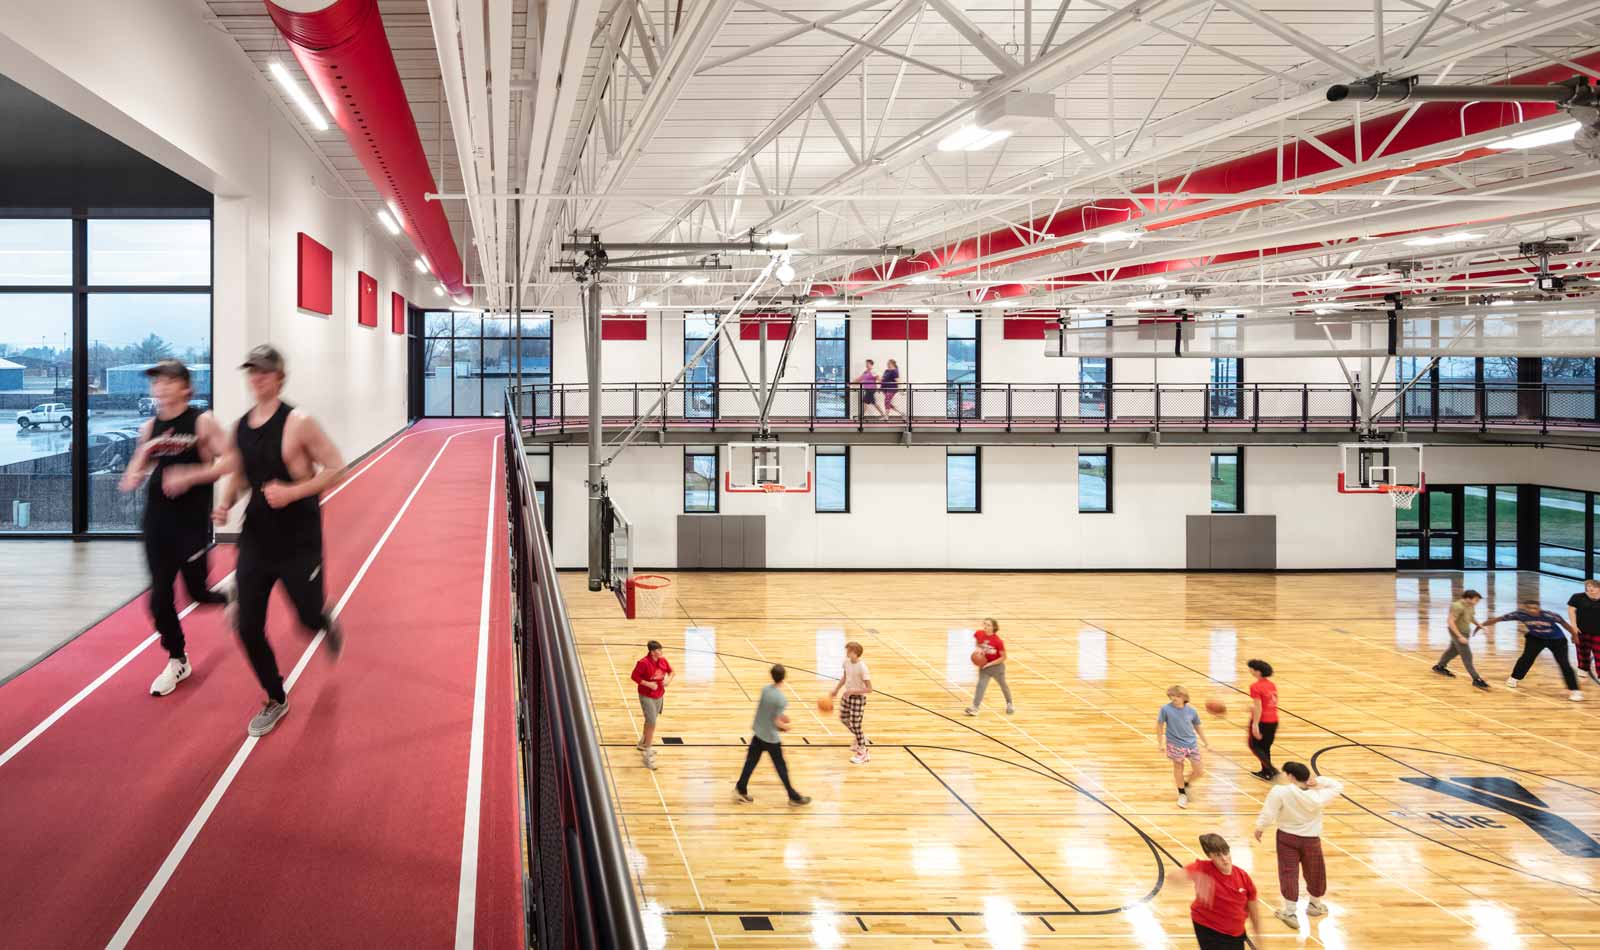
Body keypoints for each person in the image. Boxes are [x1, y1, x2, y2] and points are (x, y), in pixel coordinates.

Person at [212, 345, 347, 737]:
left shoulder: (299, 422)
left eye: (265, 372)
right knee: (248, 626)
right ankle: (275, 696)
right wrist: (224, 503)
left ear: (279, 378)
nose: (257, 378)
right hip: (256, 539)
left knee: (305, 619)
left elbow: (338, 466)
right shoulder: (240, 426)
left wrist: (293, 492)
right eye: (252, 372)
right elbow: (240, 475)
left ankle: (323, 619)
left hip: (298, 540)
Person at [117, 359, 233, 696]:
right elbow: (141, 460)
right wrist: (133, 474)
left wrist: (192, 476)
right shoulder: (149, 427)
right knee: (158, 598)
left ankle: (230, 595)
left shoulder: (202, 421)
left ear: (185, 387)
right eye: (157, 382)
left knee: (197, 592)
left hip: (191, 522)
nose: (161, 387)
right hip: (157, 521)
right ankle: (177, 658)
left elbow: (232, 459)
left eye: (169, 381)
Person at [1253, 761, 1343, 929]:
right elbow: (1338, 786)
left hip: (1287, 838)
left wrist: (1260, 828)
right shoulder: (1319, 794)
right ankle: (1315, 904)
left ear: (1291, 776)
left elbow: (1269, 813)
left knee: (1288, 873)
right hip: (1312, 839)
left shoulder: (1280, 792)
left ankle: (1290, 912)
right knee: (1315, 871)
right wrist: (1320, 782)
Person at [734, 664, 811, 806]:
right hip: (770, 738)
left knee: (750, 763)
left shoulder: (765, 690)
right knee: (781, 767)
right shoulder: (781, 699)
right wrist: (786, 727)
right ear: (784, 677)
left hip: (758, 732)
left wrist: (782, 716)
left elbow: (767, 710)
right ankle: (793, 796)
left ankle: (740, 789)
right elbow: (776, 721)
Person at [1482, 597, 1584, 701]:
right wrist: (1481, 625)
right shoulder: (1520, 614)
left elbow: (1564, 624)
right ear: (1525, 609)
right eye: (1529, 608)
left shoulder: (1550, 615)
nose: (1532, 610)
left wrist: (1574, 636)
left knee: (1564, 664)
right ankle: (1514, 678)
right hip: (1536, 639)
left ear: (1539, 608)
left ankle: (1575, 690)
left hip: (1557, 640)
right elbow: (1498, 619)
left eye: (1535, 608)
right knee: (1526, 658)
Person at [1185, 833, 1263, 950]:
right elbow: (1176, 876)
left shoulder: (1243, 877)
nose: (1224, 858)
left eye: (1225, 853)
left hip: (1236, 933)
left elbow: (1253, 910)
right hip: (1208, 928)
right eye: (1217, 855)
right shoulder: (1203, 868)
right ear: (1209, 856)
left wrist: (1259, 937)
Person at [1157, 685, 1210, 809]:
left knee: (1199, 771)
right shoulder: (1165, 709)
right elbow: (1159, 725)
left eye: (1178, 696)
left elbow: (1197, 726)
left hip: (1191, 744)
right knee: (1178, 767)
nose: (1174, 698)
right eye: (1172, 696)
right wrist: (1160, 742)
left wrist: (1206, 742)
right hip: (1174, 743)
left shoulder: (1192, 711)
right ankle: (1181, 793)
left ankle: (1186, 783)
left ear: (1184, 697)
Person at [1433, 589, 1489, 690]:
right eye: (1476, 600)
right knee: (1467, 655)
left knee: (1453, 651)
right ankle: (1476, 679)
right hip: (1457, 632)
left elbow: (1471, 617)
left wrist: (1480, 625)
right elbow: (1450, 621)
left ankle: (1440, 666)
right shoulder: (1457, 606)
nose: (1477, 602)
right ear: (1468, 598)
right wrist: (1459, 636)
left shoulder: (1470, 606)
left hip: (1465, 633)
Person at [631, 640, 673, 770]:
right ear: (652, 652)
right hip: (647, 695)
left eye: (661, 650)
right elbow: (634, 676)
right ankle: (647, 753)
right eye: (658, 650)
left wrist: (668, 680)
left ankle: (642, 743)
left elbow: (672, 672)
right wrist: (648, 684)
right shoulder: (643, 663)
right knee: (652, 722)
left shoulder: (663, 661)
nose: (661, 652)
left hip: (659, 695)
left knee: (651, 721)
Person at [829, 641, 872, 764]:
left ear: (855, 653)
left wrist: (854, 691)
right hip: (847, 696)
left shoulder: (862, 667)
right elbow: (845, 677)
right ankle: (861, 738)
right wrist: (836, 689)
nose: (846, 652)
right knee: (843, 718)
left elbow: (869, 689)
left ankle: (863, 752)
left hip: (858, 698)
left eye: (849, 650)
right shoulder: (846, 663)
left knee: (855, 724)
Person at [964, 618, 1014, 716]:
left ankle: (1010, 703)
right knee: (980, 686)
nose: (986, 627)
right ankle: (975, 707)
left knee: (1003, 686)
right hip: (984, 667)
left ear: (994, 627)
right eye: (985, 624)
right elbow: (978, 642)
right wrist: (978, 648)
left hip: (997, 667)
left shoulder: (998, 641)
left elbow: (1003, 657)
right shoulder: (979, 633)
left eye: (988, 625)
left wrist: (990, 664)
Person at [1246, 659, 1279, 780]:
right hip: (1274, 720)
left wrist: (1255, 725)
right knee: (1265, 747)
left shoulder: (1255, 687)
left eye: (1251, 669)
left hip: (1262, 720)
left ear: (1258, 672)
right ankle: (1266, 773)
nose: (1250, 671)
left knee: (1253, 745)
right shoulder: (1271, 685)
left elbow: (1259, 707)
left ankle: (1271, 769)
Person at [1567, 579, 1600, 685]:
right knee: (1582, 651)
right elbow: (1571, 610)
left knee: (1599, 654)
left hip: (1598, 631)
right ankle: (1583, 668)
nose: (1590, 589)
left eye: (1593, 587)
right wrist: (1574, 626)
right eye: (1588, 587)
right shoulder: (1577, 597)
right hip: (1582, 630)